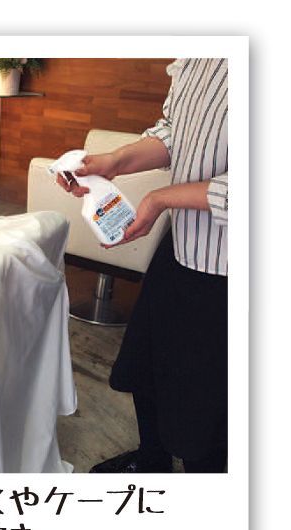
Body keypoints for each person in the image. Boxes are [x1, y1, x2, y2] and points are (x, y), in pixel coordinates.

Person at [57, 58, 228, 473]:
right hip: (181, 242)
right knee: (146, 367)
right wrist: (114, 161)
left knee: (205, 407)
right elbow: (174, 130)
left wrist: (161, 199)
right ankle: (151, 461)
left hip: (226, 268)